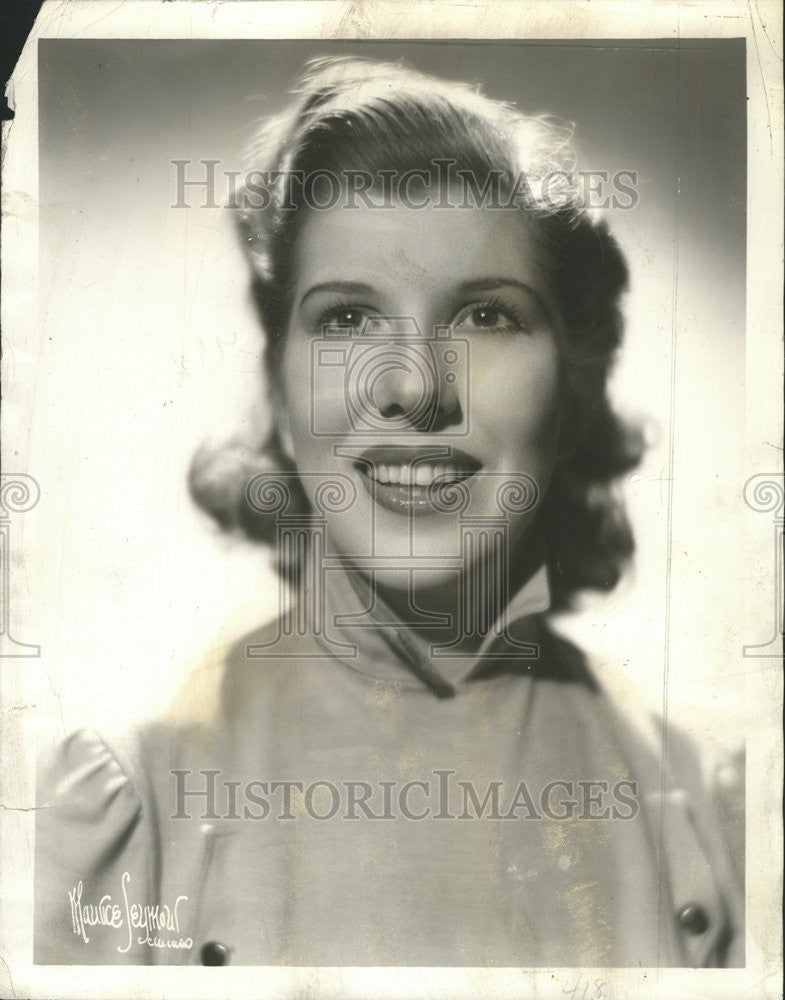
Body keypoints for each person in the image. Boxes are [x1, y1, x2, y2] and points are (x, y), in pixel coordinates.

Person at [34, 56, 743, 967]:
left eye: (486, 317)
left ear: (568, 396)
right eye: (347, 320)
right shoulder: (128, 798)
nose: (412, 386)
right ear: (280, 395)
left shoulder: (697, 805)